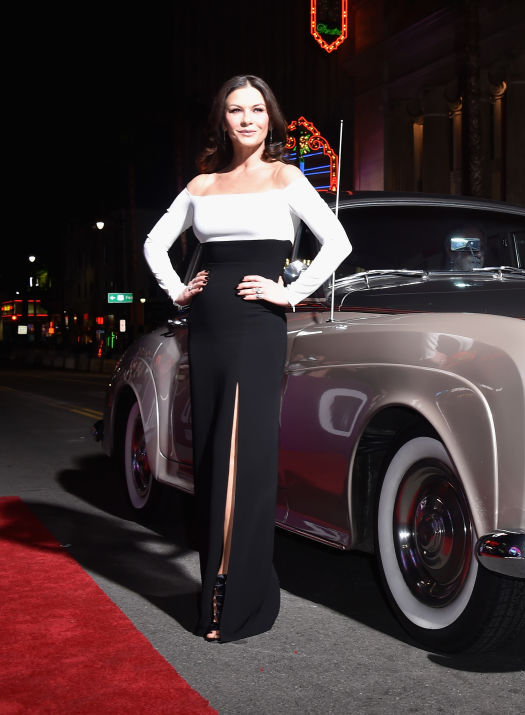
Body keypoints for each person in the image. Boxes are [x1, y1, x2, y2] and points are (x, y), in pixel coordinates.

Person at [143, 75, 351, 642]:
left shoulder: (287, 178)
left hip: (258, 328)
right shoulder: (202, 184)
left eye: (257, 109)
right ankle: (213, 586)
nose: (247, 119)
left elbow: (337, 241)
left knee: (247, 455)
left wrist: (290, 291)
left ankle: (243, 594)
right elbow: (153, 244)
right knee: (213, 453)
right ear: (224, 120)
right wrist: (177, 289)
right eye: (236, 110)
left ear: (270, 118)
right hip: (207, 329)